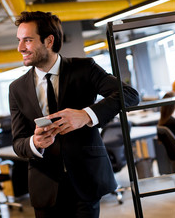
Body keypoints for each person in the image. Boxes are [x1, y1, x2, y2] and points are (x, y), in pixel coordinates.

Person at [9, 11, 139, 218]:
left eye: (27, 40)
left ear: (49, 40)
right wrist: (35, 142)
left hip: (86, 179)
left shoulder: (85, 68)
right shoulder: (17, 89)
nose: (20, 48)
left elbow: (130, 94)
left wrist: (86, 115)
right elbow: (18, 143)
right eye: (19, 40)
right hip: (45, 186)